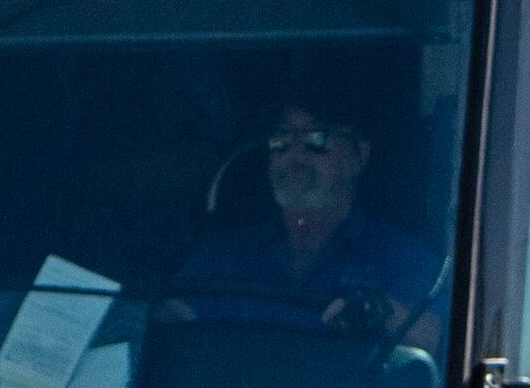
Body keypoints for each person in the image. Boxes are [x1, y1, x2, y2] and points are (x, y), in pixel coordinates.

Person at [160, 98, 447, 356]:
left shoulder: (403, 260)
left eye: (316, 139)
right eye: (282, 140)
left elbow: (434, 342)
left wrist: (381, 314)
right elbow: (164, 326)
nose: (294, 157)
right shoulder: (220, 257)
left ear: (359, 154)